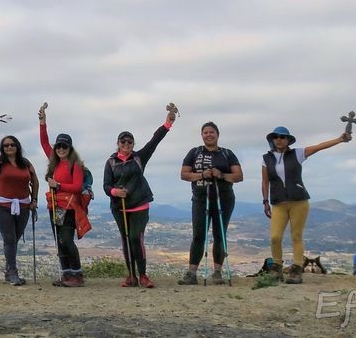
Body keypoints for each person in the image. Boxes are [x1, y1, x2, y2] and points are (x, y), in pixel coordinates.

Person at [262, 125, 351, 284]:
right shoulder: (266, 158)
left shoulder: (298, 153)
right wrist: (265, 202)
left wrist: (340, 139)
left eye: (283, 137)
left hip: (299, 201)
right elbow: (265, 182)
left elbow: (319, 147)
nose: (279, 140)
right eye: (276, 137)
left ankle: (296, 270)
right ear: (272, 140)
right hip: (278, 203)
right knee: (275, 237)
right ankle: (276, 268)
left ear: (288, 140)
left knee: (296, 236)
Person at [103, 105, 176, 288]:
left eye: (130, 143)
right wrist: (114, 192)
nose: (127, 145)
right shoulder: (111, 162)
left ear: (133, 144)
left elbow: (155, 141)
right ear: (118, 143)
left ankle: (142, 275)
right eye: (123, 142)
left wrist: (168, 123)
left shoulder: (139, 157)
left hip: (139, 204)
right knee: (126, 239)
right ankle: (131, 276)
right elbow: (106, 186)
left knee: (136, 237)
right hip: (119, 207)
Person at [178, 122, 242, 285]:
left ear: (217, 134)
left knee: (220, 234)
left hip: (224, 199)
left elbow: (238, 176)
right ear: (202, 135)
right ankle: (192, 274)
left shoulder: (227, 153)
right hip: (201, 199)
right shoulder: (194, 152)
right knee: (199, 235)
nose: (208, 135)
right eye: (205, 132)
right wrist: (201, 175)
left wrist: (221, 175)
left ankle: (217, 272)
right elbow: (184, 174)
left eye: (211, 132)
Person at [38, 106, 90, 287]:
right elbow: (44, 143)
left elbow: (77, 187)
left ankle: (77, 275)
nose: (60, 149)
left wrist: (58, 185)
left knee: (66, 240)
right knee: (59, 242)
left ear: (70, 148)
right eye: (58, 146)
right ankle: (67, 275)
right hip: (55, 206)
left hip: (69, 207)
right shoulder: (55, 161)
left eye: (64, 146)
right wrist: (42, 123)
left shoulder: (75, 165)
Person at [0, 131, 38, 285]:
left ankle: (9, 271)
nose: (9, 147)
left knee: (14, 239)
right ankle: (13, 272)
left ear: (17, 146)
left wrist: (34, 199)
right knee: (9, 238)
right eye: (6, 145)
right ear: (2, 148)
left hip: (23, 205)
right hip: (1, 205)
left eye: (12, 144)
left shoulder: (26, 163)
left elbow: (35, 181)